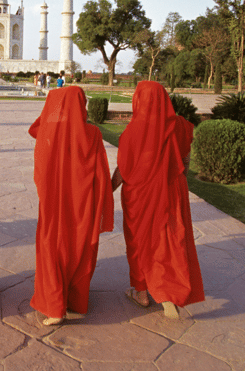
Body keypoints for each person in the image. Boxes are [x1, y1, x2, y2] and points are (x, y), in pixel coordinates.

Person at [111, 81, 204, 319]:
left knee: (140, 242)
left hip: (140, 197)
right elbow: (184, 162)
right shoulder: (181, 126)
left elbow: (123, 170)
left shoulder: (132, 132)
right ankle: (168, 293)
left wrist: (105, 191)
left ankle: (141, 292)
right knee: (170, 240)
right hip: (172, 190)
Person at [28, 86, 113, 325]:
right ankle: (75, 299)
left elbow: (35, 129)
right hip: (83, 204)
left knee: (53, 248)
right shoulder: (93, 134)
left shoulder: (48, 132)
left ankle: (56, 306)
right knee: (79, 249)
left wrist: (53, 113)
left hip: (54, 204)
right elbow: (101, 174)